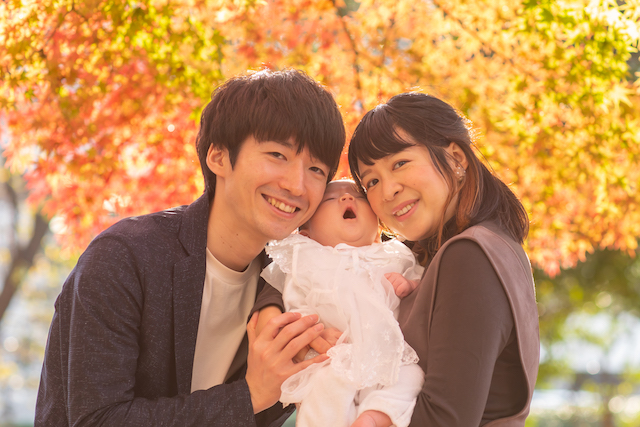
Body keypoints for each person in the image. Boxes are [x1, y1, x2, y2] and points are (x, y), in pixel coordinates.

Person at [35, 69, 346, 426]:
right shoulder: (124, 258)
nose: (296, 184)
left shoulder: (290, 284)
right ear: (218, 157)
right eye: (277, 155)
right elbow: (96, 419)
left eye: (317, 170)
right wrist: (250, 396)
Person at [347, 92, 540, 426]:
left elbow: (443, 418)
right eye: (372, 181)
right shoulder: (489, 248)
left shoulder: (471, 256)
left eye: (400, 163)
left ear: (455, 158)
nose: (387, 190)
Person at [259, 180, 425, 427]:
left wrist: (409, 285)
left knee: (411, 375)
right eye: (330, 199)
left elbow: (424, 288)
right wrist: (312, 330)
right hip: (334, 354)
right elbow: (294, 305)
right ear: (306, 233)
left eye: (358, 196)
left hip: (388, 353)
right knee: (323, 389)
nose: (347, 199)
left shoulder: (395, 255)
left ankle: (374, 417)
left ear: (378, 229)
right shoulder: (305, 261)